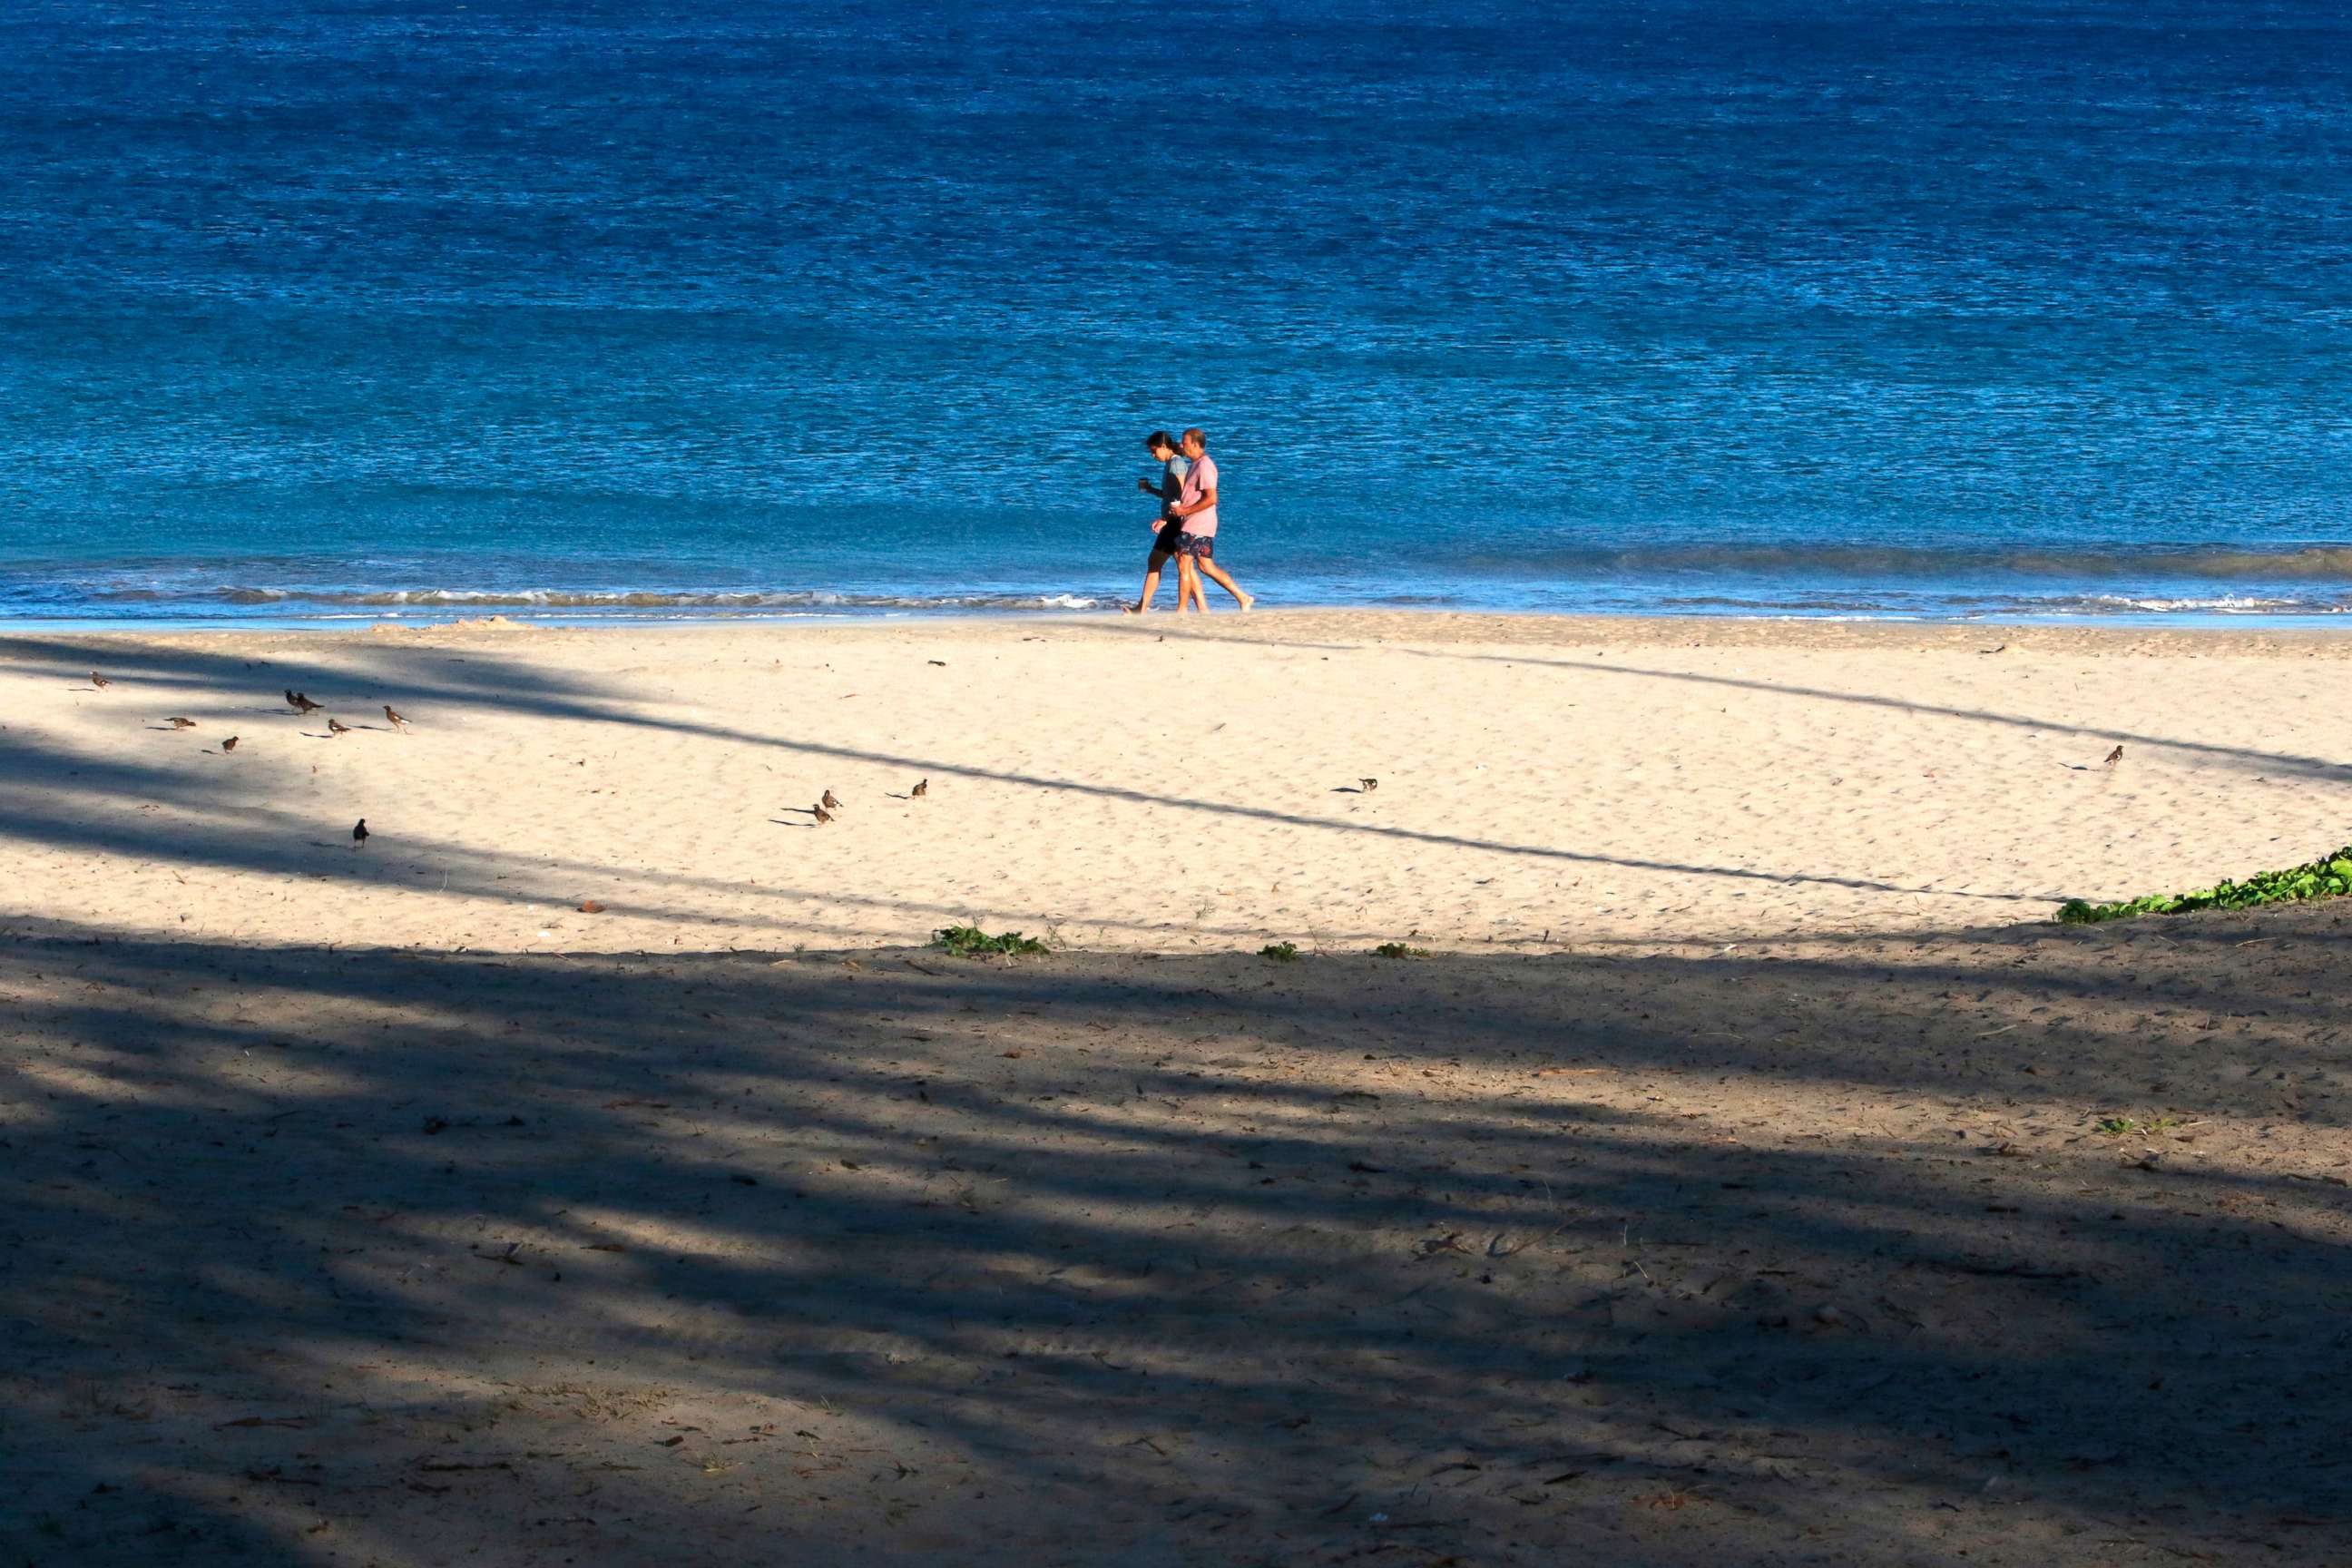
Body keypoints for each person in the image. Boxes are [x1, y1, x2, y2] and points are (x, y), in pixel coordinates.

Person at [1162, 427, 1253, 611]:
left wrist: (1185, 510)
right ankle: (1243, 597)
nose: (1181, 445)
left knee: (1183, 562)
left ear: (1195, 445)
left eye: (1185, 442)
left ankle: (1182, 610)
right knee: (1205, 566)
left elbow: (1212, 498)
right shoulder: (1196, 464)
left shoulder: (1205, 465)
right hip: (1196, 522)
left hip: (1198, 523)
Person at [1125, 431, 1203, 613]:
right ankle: (1202, 607)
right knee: (1183, 565)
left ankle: (1141, 608)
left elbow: (1183, 496)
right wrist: (1151, 490)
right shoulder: (1171, 463)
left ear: (1163, 446)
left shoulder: (1176, 464)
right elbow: (1171, 496)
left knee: (1157, 561)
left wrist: (1165, 520)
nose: (1153, 456)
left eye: (1154, 451)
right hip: (1175, 521)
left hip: (1175, 522)